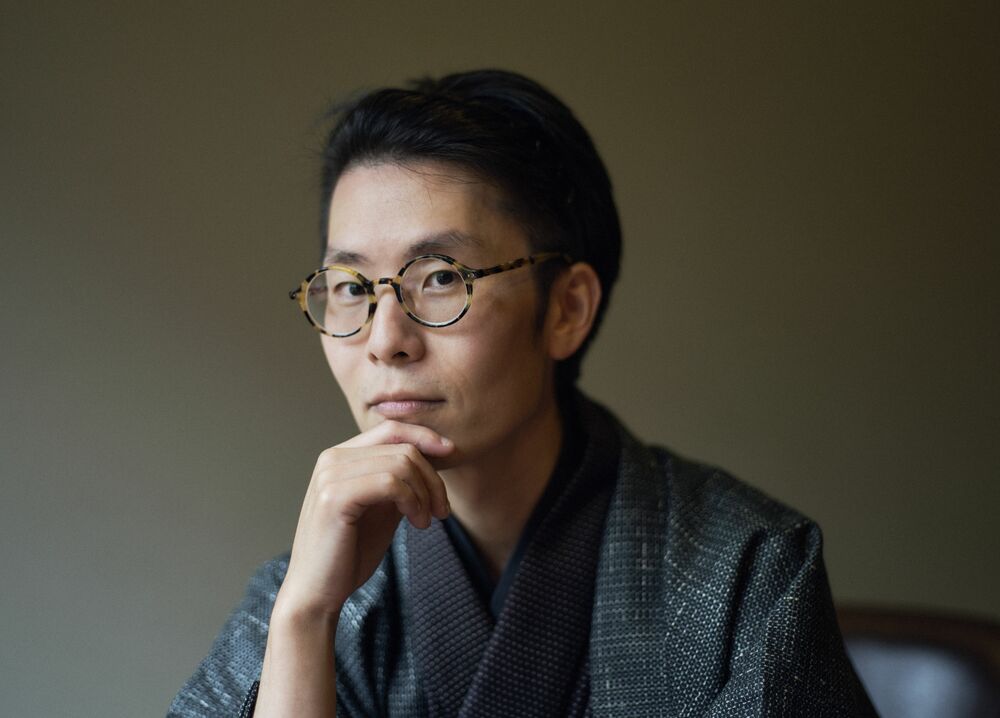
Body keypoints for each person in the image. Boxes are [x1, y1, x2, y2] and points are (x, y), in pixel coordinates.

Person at [168, 70, 875, 717]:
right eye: (351, 287)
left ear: (566, 308)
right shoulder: (311, 586)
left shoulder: (745, 569)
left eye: (440, 278)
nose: (385, 340)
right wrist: (304, 622)